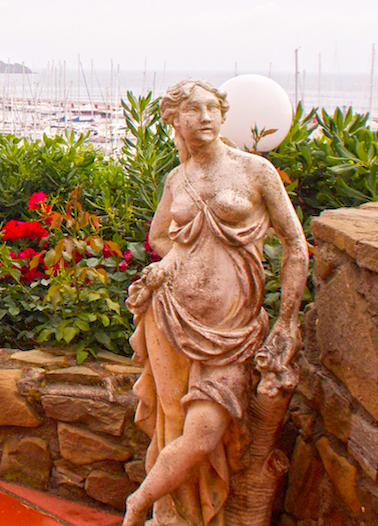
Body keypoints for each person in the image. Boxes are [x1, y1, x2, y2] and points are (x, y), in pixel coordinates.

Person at [122, 79, 308, 526]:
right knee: (171, 420)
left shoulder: (254, 171)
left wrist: (286, 322)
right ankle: (171, 516)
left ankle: (139, 504)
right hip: (169, 316)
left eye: (212, 108)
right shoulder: (177, 177)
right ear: (174, 119)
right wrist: (171, 263)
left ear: (223, 116)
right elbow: (160, 235)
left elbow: (296, 246)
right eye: (193, 109)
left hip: (233, 327)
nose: (205, 117)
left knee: (204, 434)